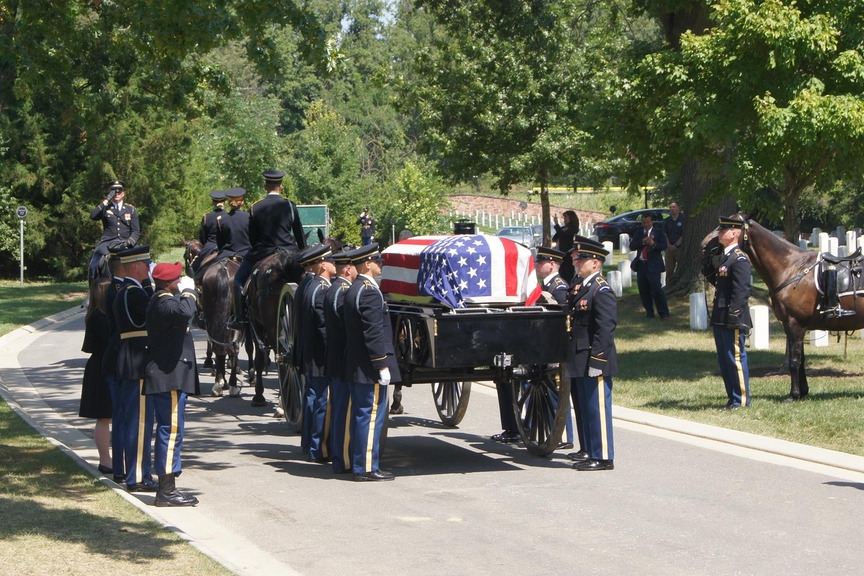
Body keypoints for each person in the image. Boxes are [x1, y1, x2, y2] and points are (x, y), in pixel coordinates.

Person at [144, 262, 200, 506]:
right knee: (170, 432)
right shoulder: (164, 301)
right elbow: (185, 312)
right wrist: (190, 291)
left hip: (169, 376)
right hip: (168, 377)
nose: (181, 282)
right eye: (178, 279)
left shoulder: (164, 299)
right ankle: (166, 492)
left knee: (172, 432)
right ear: (168, 283)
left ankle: (168, 488)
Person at [343, 243, 400, 481]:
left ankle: (361, 464)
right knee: (370, 415)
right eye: (378, 261)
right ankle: (366, 467)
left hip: (357, 364)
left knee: (362, 414)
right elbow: (373, 332)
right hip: (369, 366)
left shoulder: (356, 288)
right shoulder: (368, 291)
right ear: (368, 263)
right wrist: (381, 364)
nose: (381, 265)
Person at [564, 237, 617, 471]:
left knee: (598, 408)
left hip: (595, 358)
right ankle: (592, 451)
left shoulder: (601, 289)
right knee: (586, 408)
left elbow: (605, 329)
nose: (577, 263)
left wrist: (598, 359)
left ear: (596, 263)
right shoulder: (585, 286)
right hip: (581, 357)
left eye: (583, 259)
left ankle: (603, 456)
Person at [230, 170, 307, 328]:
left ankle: (240, 318)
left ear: (266, 187)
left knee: (238, 280)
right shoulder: (290, 205)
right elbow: (299, 233)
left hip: (262, 251)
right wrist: (303, 253)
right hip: (289, 253)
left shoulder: (255, 207)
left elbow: (252, 237)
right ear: (281, 186)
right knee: (309, 279)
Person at [112, 245, 157, 491]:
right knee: (140, 424)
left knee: (136, 422)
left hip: (131, 360)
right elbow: (148, 318)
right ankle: (138, 476)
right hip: (137, 362)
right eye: (147, 264)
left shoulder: (129, 291)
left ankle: (136, 473)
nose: (149, 268)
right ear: (136, 266)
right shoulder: (133, 293)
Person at [534, 246, 580, 453]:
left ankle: (563, 435)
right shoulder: (547, 285)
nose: (536, 265)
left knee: (558, 393)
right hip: (546, 344)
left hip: (556, 347)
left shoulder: (559, 287)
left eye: (540, 261)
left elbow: (564, 318)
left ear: (552, 264)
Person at [295, 244, 336, 463]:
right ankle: (317, 448)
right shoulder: (321, 289)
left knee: (312, 398)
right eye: (331, 261)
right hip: (320, 355)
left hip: (309, 353)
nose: (335, 265)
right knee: (320, 401)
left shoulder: (307, 285)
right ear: (322, 265)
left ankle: (309, 444)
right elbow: (324, 328)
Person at [711, 217, 752, 410]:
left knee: (734, 359)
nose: (719, 233)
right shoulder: (727, 257)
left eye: (724, 230)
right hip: (720, 315)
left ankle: (741, 400)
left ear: (735, 233)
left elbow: (741, 291)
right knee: (725, 360)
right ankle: (732, 397)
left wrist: (733, 315)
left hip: (732, 317)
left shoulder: (739, 258)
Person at [324, 248, 358, 473]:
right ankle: (342, 458)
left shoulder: (335, 288)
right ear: (348, 268)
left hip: (335, 356)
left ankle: (338, 453)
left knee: (339, 408)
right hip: (342, 357)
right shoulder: (343, 292)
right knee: (344, 412)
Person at [78, 278, 113, 475]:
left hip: (98, 366)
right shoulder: (102, 317)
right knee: (105, 416)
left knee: (105, 417)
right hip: (102, 368)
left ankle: (107, 459)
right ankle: (106, 459)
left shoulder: (94, 314)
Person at [88, 180, 140, 280]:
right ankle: (94, 288)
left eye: (119, 191)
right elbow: (93, 216)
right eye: (113, 190)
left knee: (145, 262)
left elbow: (136, 231)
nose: (116, 193)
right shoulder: (105, 208)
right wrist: (106, 200)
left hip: (127, 242)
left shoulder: (131, 209)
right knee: (94, 264)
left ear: (123, 193)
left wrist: (129, 242)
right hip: (108, 242)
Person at [629, 213, 670, 320]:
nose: (646, 224)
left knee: (656, 289)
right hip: (642, 264)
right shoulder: (639, 233)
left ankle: (664, 313)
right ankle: (649, 313)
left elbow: (663, 246)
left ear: (652, 222)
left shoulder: (659, 232)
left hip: (653, 265)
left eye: (648, 222)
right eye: (644, 222)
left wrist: (653, 243)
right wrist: (643, 241)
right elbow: (632, 246)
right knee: (643, 290)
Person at [190, 189, 226, 275]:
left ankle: (197, 285)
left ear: (213, 202)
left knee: (195, 266)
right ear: (224, 202)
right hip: (226, 246)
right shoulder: (229, 216)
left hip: (210, 245)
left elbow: (203, 236)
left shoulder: (207, 217)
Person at [216, 187, 251, 262]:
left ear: (229, 203)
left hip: (226, 255)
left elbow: (220, 243)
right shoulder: (249, 218)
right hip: (246, 254)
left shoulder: (221, 220)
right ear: (242, 202)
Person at [552, 210, 580, 283]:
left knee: (568, 273)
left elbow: (563, 235)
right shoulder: (563, 228)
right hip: (560, 253)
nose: (564, 220)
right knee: (561, 272)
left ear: (571, 218)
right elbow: (555, 238)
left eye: (566, 218)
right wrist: (559, 229)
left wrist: (556, 224)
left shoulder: (574, 228)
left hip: (568, 253)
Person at [663, 201, 687, 279]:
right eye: (670, 207)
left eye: (674, 207)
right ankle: (669, 287)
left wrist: (676, 245)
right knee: (669, 270)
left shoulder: (683, 219)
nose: (672, 209)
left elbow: (684, 234)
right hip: (669, 249)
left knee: (681, 269)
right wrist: (669, 245)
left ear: (678, 208)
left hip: (679, 248)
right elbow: (665, 234)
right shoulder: (667, 221)